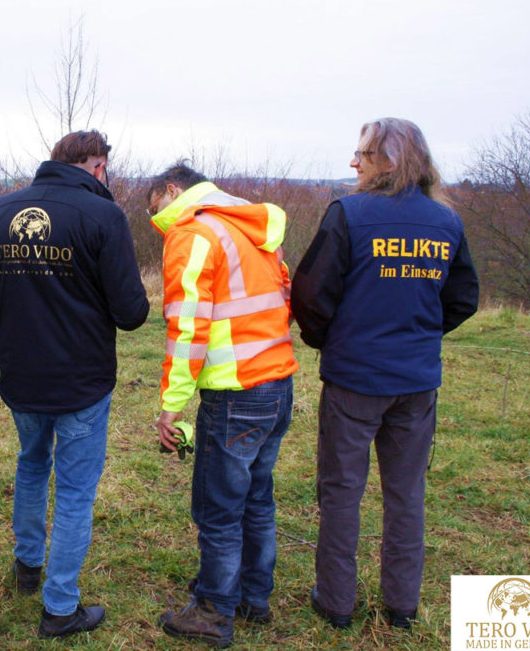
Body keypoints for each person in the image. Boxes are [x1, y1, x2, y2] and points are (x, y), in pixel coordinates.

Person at [291, 118, 479, 630]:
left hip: (355, 381)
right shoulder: (445, 222)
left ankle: (335, 603)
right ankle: (401, 605)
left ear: (392, 160)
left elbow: (308, 295)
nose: (354, 163)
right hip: (416, 382)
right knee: (406, 494)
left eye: (363, 154)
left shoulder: (348, 214)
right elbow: (463, 299)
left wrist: (331, 338)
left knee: (341, 490)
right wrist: (417, 334)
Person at [0, 130, 149, 638]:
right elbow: (132, 312)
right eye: (107, 169)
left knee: (31, 464)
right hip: (81, 380)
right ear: (96, 166)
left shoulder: (3, 211)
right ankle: (61, 607)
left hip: (22, 375)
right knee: (73, 492)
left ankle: (29, 565)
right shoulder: (103, 216)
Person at [148, 162, 298, 648]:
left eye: (157, 208)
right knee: (257, 497)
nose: (158, 220)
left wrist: (171, 405)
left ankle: (213, 611)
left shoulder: (195, 232)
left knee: (219, 506)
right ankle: (253, 597)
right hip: (276, 382)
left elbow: (188, 325)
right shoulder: (251, 226)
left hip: (235, 392)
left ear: (173, 190)